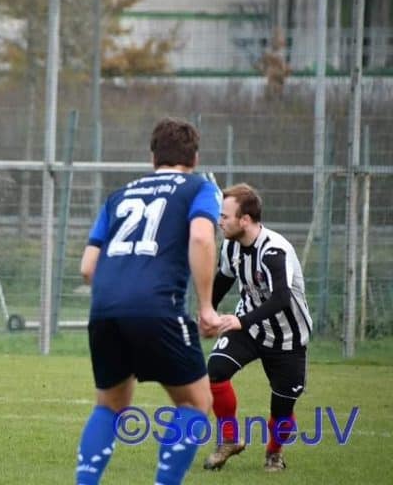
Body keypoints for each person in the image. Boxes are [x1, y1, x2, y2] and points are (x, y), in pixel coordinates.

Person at [75, 117, 222, 485]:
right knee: (195, 403)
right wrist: (206, 307)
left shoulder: (119, 196)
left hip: (105, 307)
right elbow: (203, 239)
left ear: (152, 156)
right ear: (196, 157)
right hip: (157, 306)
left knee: (109, 405)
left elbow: (88, 268)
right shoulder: (198, 188)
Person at [202, 183, 312, 472]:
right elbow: (224, 279)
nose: (219, 221)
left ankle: (274, 454)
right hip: (250, 329)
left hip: (288, 338)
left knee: (282, 408)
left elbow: (281, 298)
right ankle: (229, 438)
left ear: (245, 220)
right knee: (214, 373)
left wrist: (240, 320)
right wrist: (207, 311)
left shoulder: (274, 251)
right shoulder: (231, 245)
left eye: (225, 216)